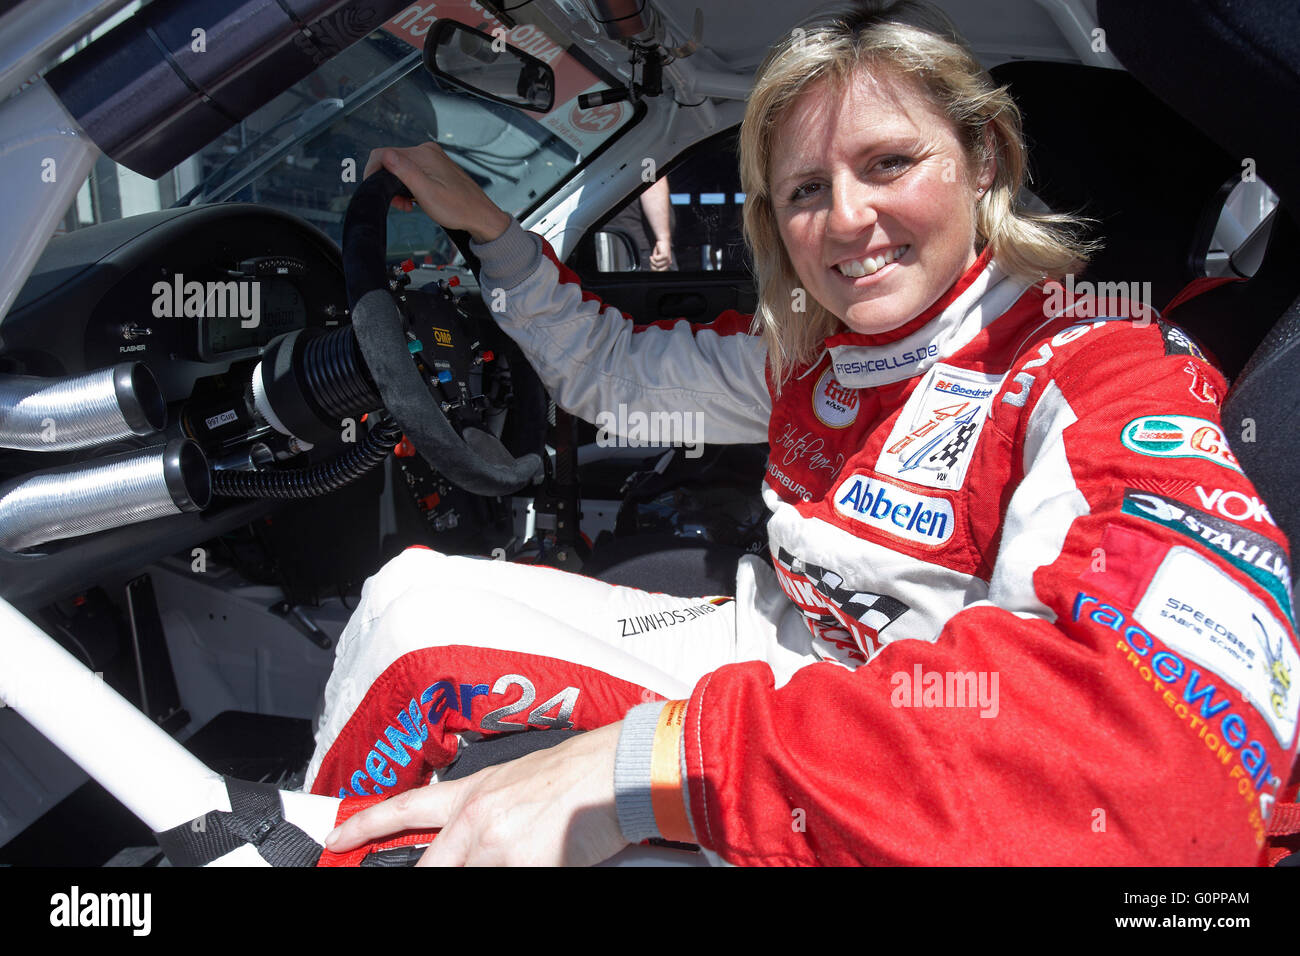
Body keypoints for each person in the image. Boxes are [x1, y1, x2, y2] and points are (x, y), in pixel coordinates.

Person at [311, 0, 1298, 865]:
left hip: (910, 737)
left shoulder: (1099, 366)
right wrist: (484, 225)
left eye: (888, 163)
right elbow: (611, 373)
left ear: (983, 157)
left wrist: (651, 765)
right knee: (411, 610)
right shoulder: (808, 360)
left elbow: (1145, 768)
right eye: (805, 190)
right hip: (776, 664)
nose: (848, 219)